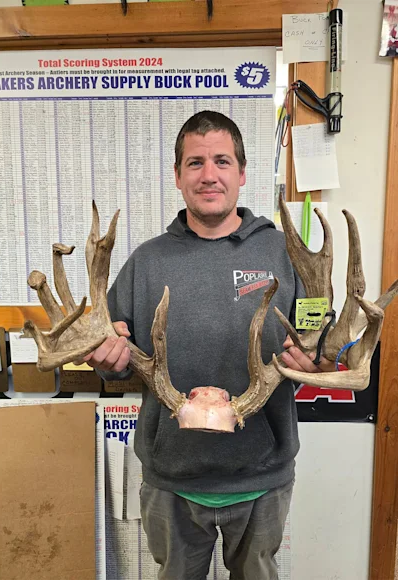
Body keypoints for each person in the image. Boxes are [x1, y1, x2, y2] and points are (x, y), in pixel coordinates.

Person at [85, 110, 331, 579]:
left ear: (242, 173)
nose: (209, 175)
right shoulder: (146, 262)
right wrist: (108, 360)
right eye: (195, 163)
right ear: (177, 176)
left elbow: (323, 339)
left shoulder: (285, 254)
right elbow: (112, 354)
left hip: (261, 477)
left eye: (222, 161)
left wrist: (318, 359)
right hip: (172, 480)